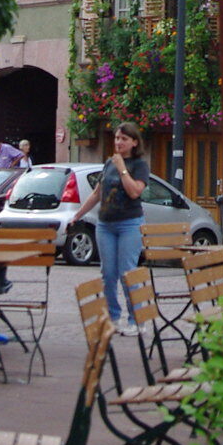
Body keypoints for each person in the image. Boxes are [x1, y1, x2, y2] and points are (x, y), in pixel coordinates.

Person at [74, 121, 148, 334]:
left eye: (124, 139)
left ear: (134, 142)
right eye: (117, 138)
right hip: (105, 223)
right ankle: (113, 318)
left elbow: (135, 192)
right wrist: (78, 214)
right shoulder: (108, 164)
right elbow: (97, 193)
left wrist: (123, 169)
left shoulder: (139, 165)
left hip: (129, 223)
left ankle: (137, 320)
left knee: (127, 272)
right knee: (108, 273)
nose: (119, 142)